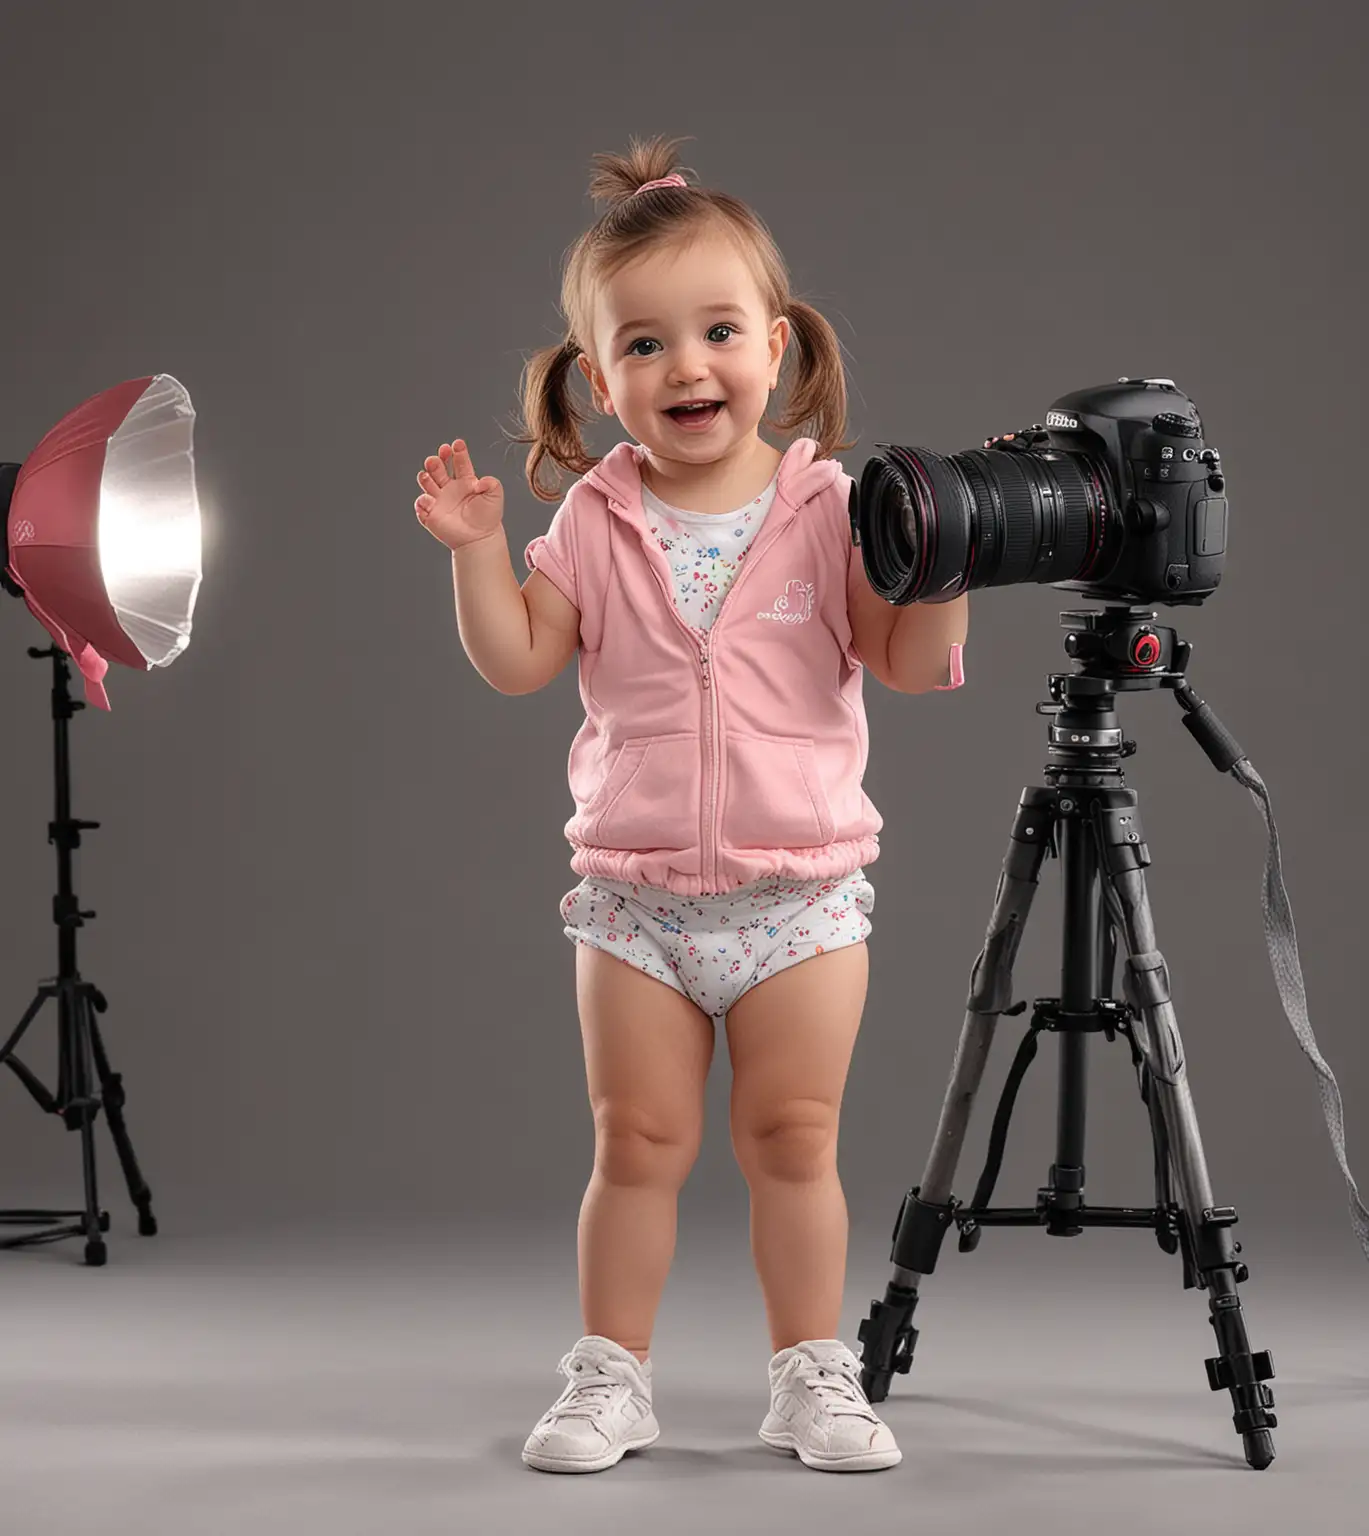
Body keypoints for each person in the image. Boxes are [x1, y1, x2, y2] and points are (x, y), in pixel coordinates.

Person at [414, 134, 966, 1475]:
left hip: (803, 899)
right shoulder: (597, 525)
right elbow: (519, 661)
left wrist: (947, 557)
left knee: (797, 1140)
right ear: (601, 382)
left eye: (719, 332)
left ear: (776, 349)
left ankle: (813, 1377)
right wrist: (481, 553)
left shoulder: (835, 510)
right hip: (635, 905)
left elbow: (907, 663)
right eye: (646, 347)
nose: (688, 367)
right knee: (636, 1143)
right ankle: (612, 1378)